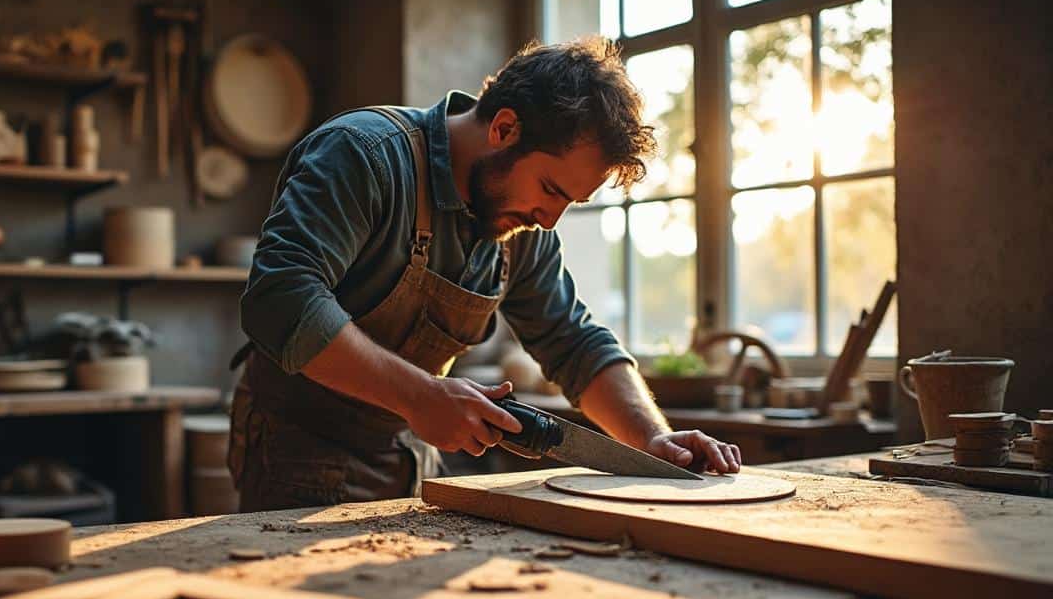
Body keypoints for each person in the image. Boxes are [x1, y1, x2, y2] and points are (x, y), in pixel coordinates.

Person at [229, 36, 741, 513]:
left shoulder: (523, 228)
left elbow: (573, 341)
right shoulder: (365, 155)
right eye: (551, 189)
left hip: (410, 456)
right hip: (296, 450)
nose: (549, 219)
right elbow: (282, 298)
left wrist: (651, 440)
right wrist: (419, 396)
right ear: (503, 129)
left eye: (571, 203)